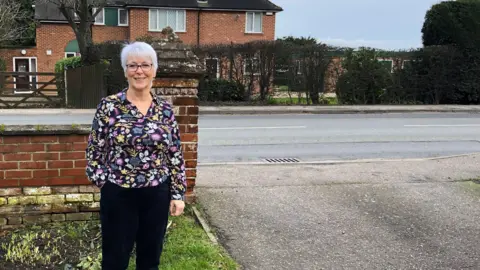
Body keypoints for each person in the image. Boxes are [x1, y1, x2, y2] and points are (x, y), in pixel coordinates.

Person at [85, 41, 187, 270]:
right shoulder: (109, 107)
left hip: (157, 194)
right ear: (125, 71)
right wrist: (105, 183)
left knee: (150, 259)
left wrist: (178, 194)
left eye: (145, 65)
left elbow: (175, 154)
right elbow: (94, 151)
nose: (139, 71)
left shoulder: (165, 110)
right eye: (132, 65)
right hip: (119, 195)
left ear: (154, 69)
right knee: (115, 259)